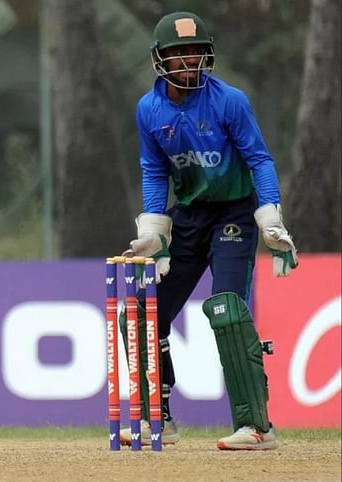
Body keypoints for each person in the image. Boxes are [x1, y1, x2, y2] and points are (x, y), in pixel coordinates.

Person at [120, 11, 298, 450]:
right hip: (189, 216)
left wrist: (270, 216)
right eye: (179, 55)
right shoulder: (149, 109)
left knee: (226, 310)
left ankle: (257, 426)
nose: (189, 63)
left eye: (196, 53)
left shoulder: (229, 100)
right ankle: (156, 418)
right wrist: (156, 229)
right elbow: (153, 168)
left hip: (234, 214)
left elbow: (259, 158)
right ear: (161, 60)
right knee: (140, 314)